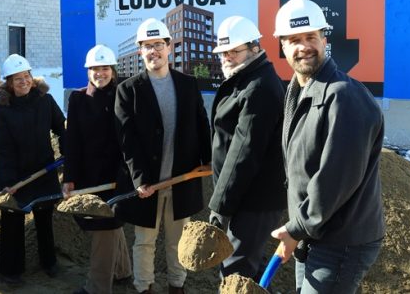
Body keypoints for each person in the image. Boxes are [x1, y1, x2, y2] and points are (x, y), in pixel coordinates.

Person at [270, 0, 385, 294]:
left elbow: (336, 178)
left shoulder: (344, 97)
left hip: (341, 240)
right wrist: (300, 228)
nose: (304, 47)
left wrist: (297, 228)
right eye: (294, 40)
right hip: (314, 233)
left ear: (324, 40)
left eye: (311, 37)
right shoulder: (298, 91)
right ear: (282, 46)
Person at [114, 18, 212, 294]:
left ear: (169, 47)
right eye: (147, 46)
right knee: (144, 240)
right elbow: (126, 140)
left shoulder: (187, 84)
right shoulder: (128, 90)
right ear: (140, 51)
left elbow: (201, 124)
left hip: (182, 178)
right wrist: (139, 179)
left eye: (158, 44)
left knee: (178, 240)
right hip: (148, 184)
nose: (153, 51)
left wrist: (208, 159)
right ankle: (144, 287)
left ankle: (176, 286)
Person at [208, 16, 286, 282]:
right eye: (223, 52)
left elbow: (244, 153)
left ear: (255, 48)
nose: (227, 57)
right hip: (246, 196)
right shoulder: (246, 79)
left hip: (254, 199)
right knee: (251, 271)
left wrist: (220, 208)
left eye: (234, 50)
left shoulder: (258, 87)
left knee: (235, 272)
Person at [63, 45, 132, 294]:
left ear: (112, 70)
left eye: (104, 68)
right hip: (89, 175)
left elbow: (130, 137)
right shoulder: (78, 99)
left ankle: (97, 287)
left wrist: (129, 173)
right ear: (88, 71)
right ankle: (122, 270)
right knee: (106, 224)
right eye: (94, 68)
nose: (99, 73)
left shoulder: (124, 95)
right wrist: (69, 177)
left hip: (117, 174)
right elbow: (72, 141)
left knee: (106, 226)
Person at [0, 54, 64, 285]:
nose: (23, 81)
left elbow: (60, 127)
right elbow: (3, 148)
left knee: (44, 218)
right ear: (9, 83)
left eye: (26, 76)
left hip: (43, 169)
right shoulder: (3, 110)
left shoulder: (45, 100)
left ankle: (48, 262)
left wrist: (67, 149)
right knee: (12, 221)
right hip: (14, 174)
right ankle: (10, 270)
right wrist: (9, 182)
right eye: (17, 79)